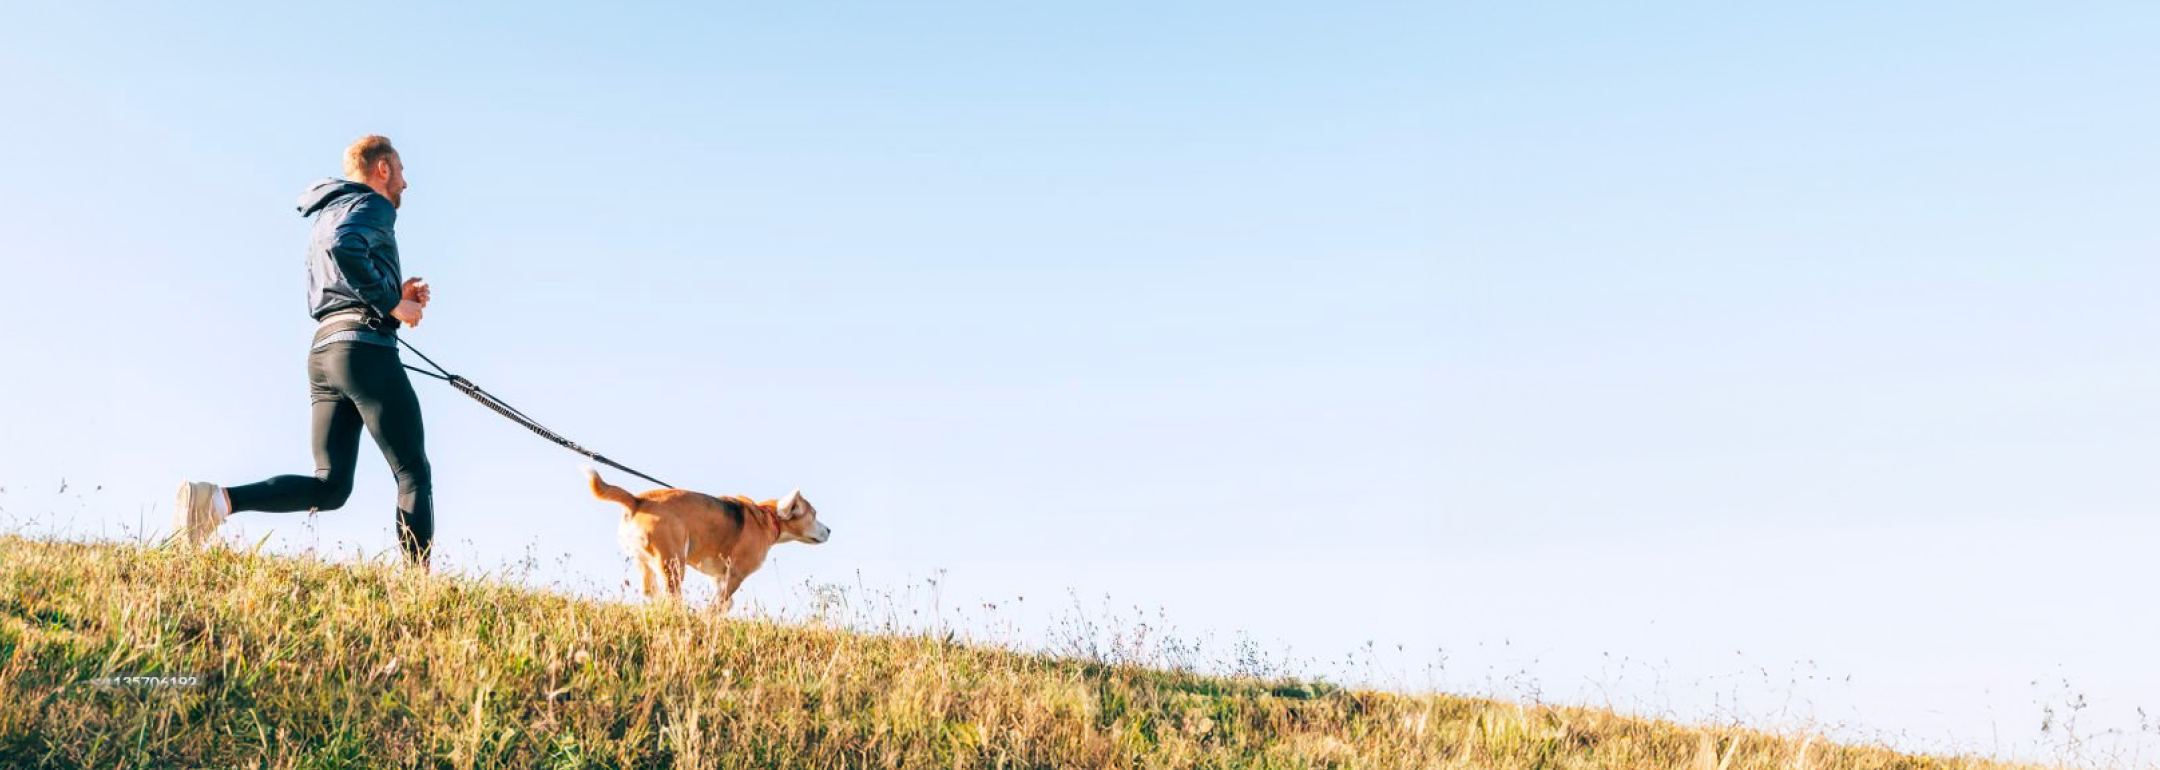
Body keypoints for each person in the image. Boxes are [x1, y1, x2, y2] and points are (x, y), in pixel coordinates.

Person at [175, 135, 437, 568]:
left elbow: (339, 271)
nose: (406, 184)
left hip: (325, 353)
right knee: (413, 472)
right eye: (402, 171)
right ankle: (419, 586)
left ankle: (215, 503)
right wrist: (391, 303)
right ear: (383, 168)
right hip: (364, 350)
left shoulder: (332, 210)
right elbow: (345, 249)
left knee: (331, 486)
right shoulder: (373, 205)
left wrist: (395, 295)